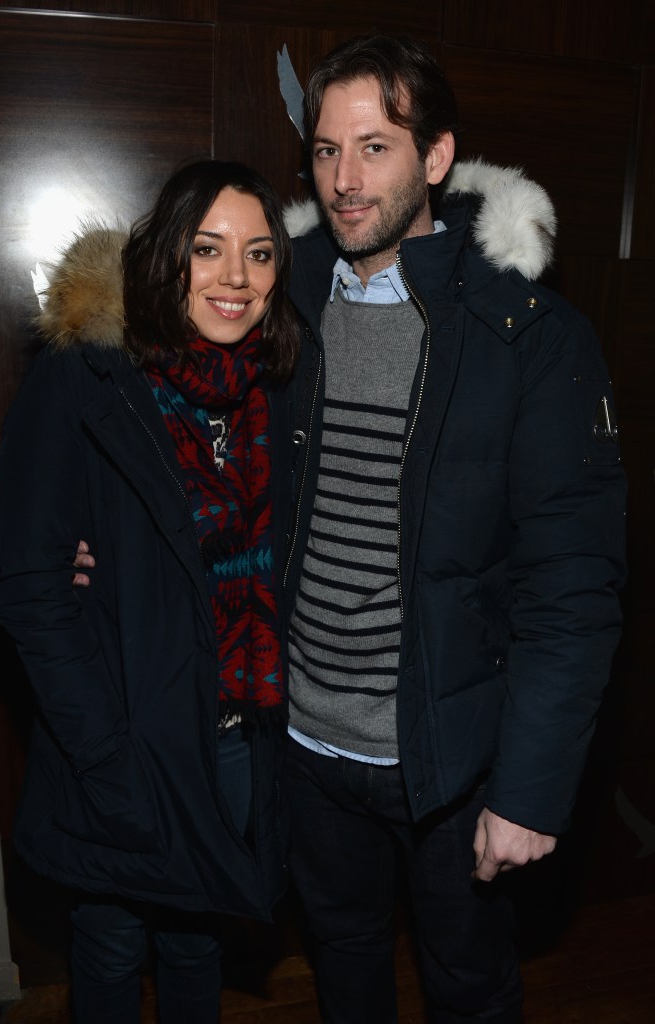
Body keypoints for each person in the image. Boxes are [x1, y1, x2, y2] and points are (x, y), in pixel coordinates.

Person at [278, 34, 627, 1024]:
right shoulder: (279, 306)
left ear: (435, 157)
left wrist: (528, 788)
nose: (344, 180)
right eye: (324, 151)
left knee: (469, 988)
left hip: (449, 761)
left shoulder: (528, 334)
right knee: (342, 975)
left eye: (374, 147)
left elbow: (572, 585)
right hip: (304, 750)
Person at [0, 160, 299, 1023]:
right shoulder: (87, 383)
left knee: (200, 940)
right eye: (210, 249)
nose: (237, 277)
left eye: (261, 253)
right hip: (123, 737)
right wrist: (103, 752)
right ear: (167, 257)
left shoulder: (276, 394)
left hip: (238, 739)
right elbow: (26, 585)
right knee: (116, 944)